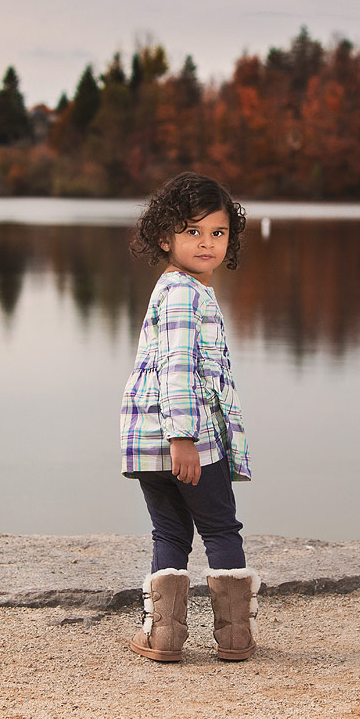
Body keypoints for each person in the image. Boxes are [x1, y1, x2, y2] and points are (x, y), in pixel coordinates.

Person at [120, 172, 260, 663]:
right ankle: (235, 637)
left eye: (217, 233)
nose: (206, 243)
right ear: (165, 237)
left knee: (171, 533)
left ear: (230, 239)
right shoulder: (183, 293)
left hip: (149, 441)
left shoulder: (180, 288)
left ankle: (164, 637)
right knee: (221, 530)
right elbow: (176, 368)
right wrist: (184, 438)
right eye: (192, 232)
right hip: (187, 439)